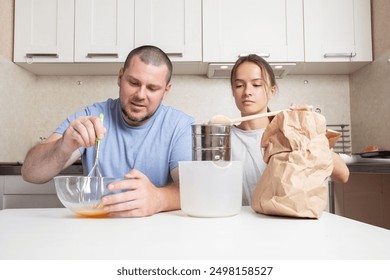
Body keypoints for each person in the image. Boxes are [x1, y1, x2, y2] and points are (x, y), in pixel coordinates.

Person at [21, 45, 195, 217]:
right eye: (133, 83)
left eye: (152, 88)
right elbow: (30, 173)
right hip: (98, 225)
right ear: (120, 77)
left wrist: (159, 198)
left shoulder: (180, 127)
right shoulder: (91, 116)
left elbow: (195, 187)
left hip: (157, 231)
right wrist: (63, 146)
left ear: (165, 91)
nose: (141, 95)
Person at [229, 54, 349, 206]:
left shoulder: (289, 131)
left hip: (291, 224)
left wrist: (306, 130)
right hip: (244, 225)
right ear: (233, 91)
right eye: (239, 85)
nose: (247, 92)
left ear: (272, 91)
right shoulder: (221, 140)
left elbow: (343, 175)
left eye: (257, 85)